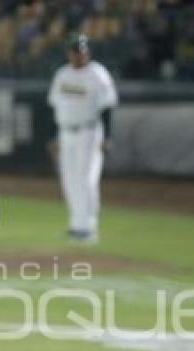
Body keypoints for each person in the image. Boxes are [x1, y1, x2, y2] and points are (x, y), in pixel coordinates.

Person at [47, 33, 118, 243]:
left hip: (89, 132)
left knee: (87, 178)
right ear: (69, 53)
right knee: (70, 179)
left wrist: (108, 136)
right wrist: (54, 137)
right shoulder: (62, 75)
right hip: (65, 132)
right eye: (76, 51)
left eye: (82, 51)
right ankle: (76, 225)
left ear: (87, 53)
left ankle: (88, 226)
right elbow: (55, 107)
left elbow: (108, 106)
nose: (79, 55)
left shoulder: (97, 74)